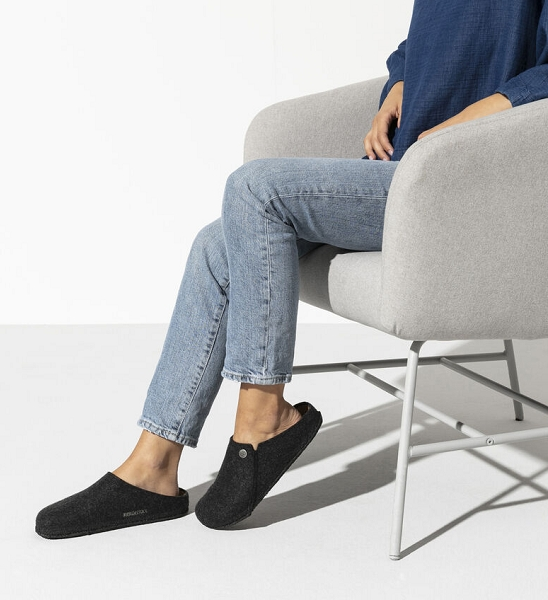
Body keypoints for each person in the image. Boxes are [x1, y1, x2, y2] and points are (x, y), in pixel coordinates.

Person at [36, 0, 548, 538]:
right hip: (408, 173)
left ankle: (265, 416)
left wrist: (482, 112)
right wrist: (399, 85)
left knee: (255, 189)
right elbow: (427, 41)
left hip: (464, 184)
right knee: (216, 244)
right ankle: (152, 468)